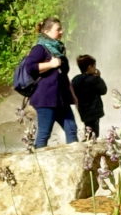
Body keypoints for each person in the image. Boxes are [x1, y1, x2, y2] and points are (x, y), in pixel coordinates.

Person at [18, 17, 77, 148]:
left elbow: (64, 75)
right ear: (46, 31)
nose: (62, 32)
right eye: (58, 29)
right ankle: (37, 165)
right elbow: (30, 67)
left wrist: (73, 96)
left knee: (72, 129)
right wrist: (50, 64)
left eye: (61, 29)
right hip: (46, 99)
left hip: (61, 99)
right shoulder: (40, 48)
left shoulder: (59, 49)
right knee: (44, 133)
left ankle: (76, 161)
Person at [70, 54, 106, 139]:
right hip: (94, 111)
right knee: (94, 133)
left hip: (82, 111)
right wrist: (99, 77)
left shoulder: (76, 79)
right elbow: (103, 91)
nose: (95, 68)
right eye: (94, 66)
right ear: (90, 67)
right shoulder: (94, 79)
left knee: (88, 129)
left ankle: (87, 142)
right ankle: (90, 147)